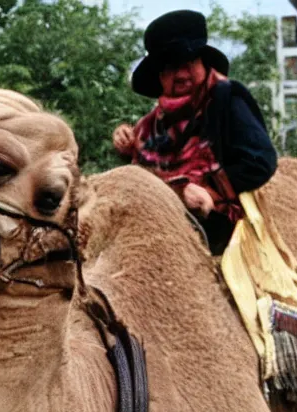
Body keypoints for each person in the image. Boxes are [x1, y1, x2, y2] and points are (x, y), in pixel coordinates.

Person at [113, 10, 277, 256]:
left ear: (202, 63)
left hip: (220, 222)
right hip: (161, 216)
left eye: (187, 63)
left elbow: (261, 162)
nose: (179, 74)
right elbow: (144, 171)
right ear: (159, 77)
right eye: (169, 69)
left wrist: (209, 188)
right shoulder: (152, 123)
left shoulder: (227, 99)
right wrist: (127, 147)